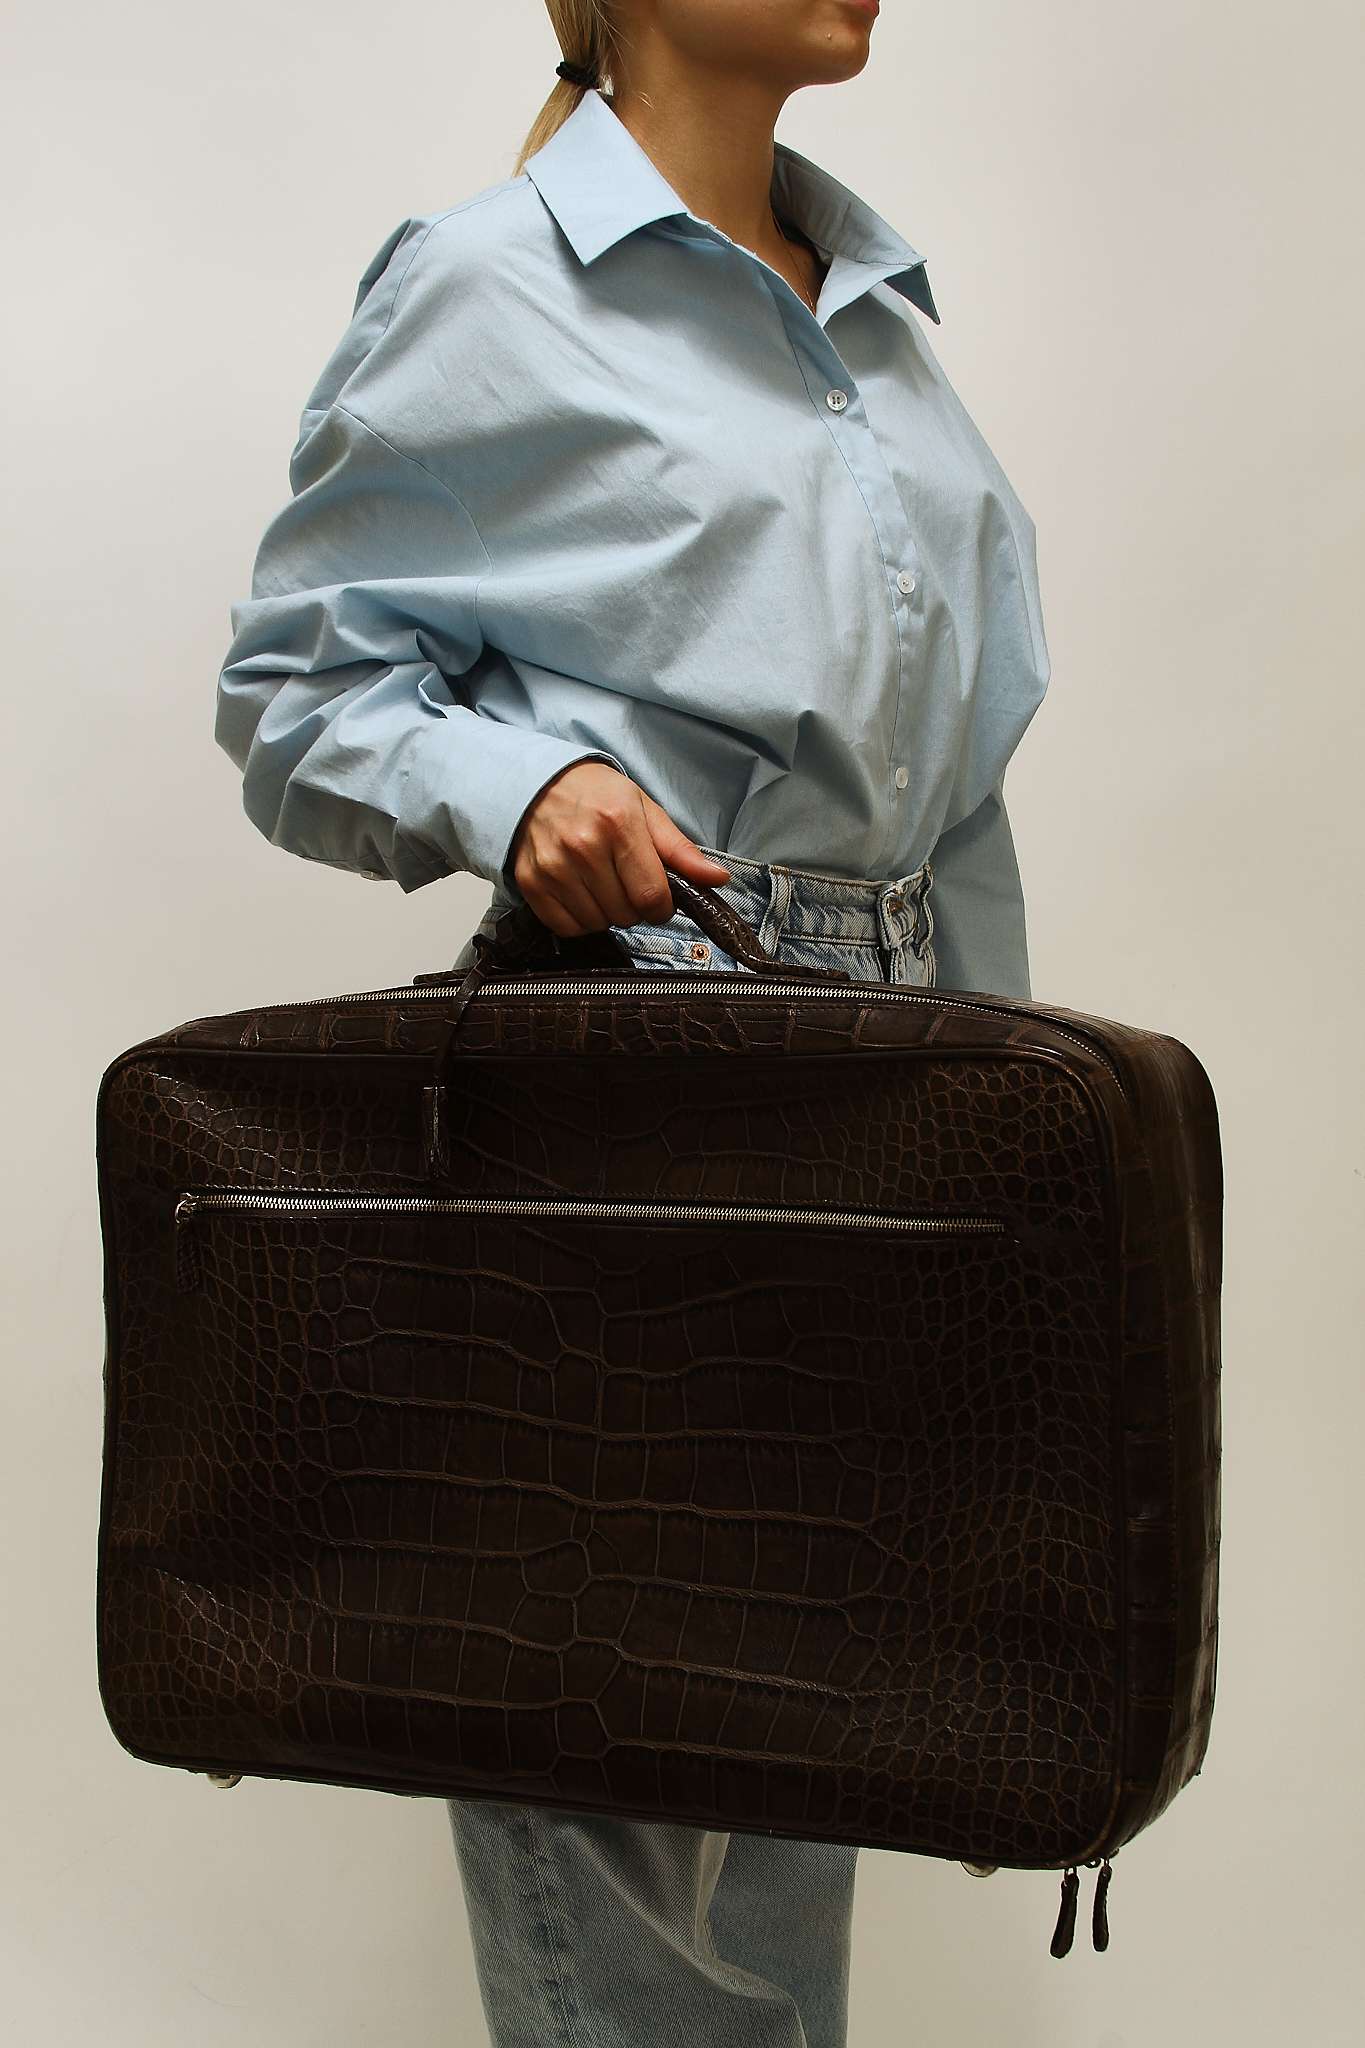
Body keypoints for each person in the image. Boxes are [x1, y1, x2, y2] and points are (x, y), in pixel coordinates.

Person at [215, 4, 1051, 2041]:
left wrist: (1009, 1115)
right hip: (635, 1079)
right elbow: (295, 693)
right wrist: (521, 787)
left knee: (807, 1747)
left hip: (900, 1084)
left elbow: (943, 790)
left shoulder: (873, 313)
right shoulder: (487, 283)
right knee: (604, 1737)